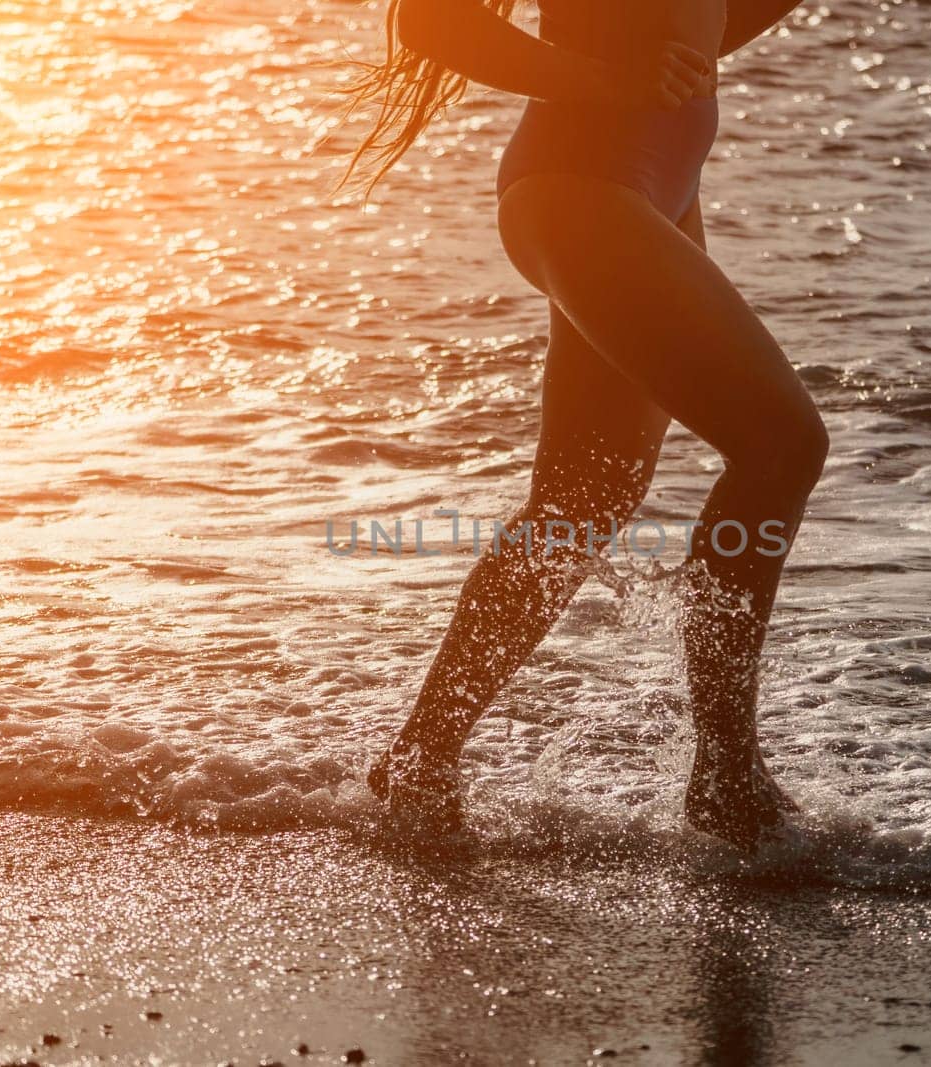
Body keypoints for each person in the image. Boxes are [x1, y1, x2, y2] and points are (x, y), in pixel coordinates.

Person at [336, 0, 829, 850]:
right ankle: (724, 777)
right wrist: (618, 77)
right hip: (582, 185)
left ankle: (420, 759)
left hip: (653, 185)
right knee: (781, 444)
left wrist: (672, 60)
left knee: (582, 498)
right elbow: (431, 22)